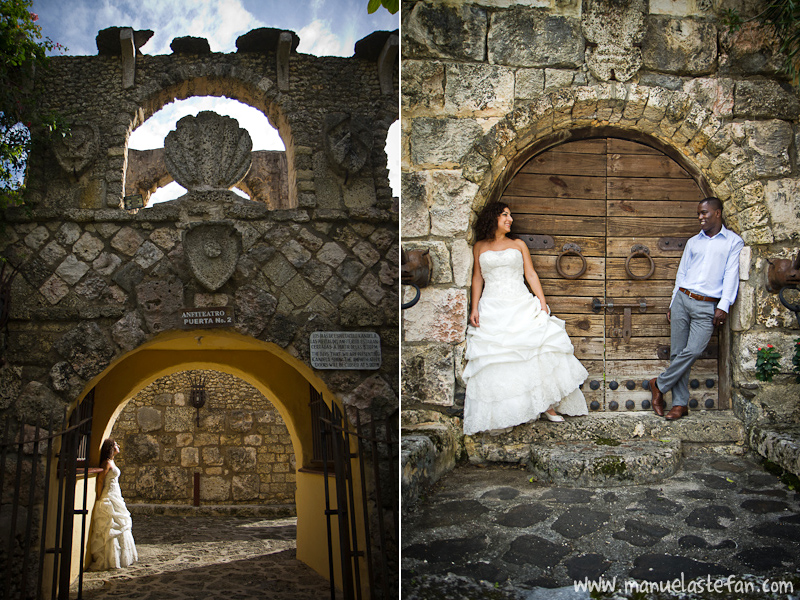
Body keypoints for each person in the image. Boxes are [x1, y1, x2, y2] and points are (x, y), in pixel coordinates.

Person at [462, 202, 588, 435]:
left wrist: (541, 301)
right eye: (505, 215)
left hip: (520, 302)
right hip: (492, 306)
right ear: (493, 218)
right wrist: (475, 307)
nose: (510, 219)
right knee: (500, 359)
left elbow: (530, 273)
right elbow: (477, 278)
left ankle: (547, 405)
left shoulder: (518, 244)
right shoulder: (479, 246)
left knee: (535, 351)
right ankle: (507, 411)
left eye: (510, 215)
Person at [649, 197, 744, 421]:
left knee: (693, 351)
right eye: (699, 214)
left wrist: (724, 305)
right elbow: (681, 273)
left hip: (708, 304)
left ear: (718, 213)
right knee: (677, 352)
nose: (700, 217)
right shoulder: (693, 242)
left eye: (704, 213)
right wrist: (674, 301)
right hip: (683, 299)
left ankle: (658, 384)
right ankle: (680, 404)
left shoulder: (733, 242)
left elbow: (732, 275)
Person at [89, 438, 138, 570]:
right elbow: (100, 480)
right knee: (111, 524)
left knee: (120, 522)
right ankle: (110, 558)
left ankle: (120, 556)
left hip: (115, 493)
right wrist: (100, 496)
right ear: (110, 448)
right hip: (109, 494)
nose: (118, 446)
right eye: (115, 444)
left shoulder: (111, 462)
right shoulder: (106, 463)